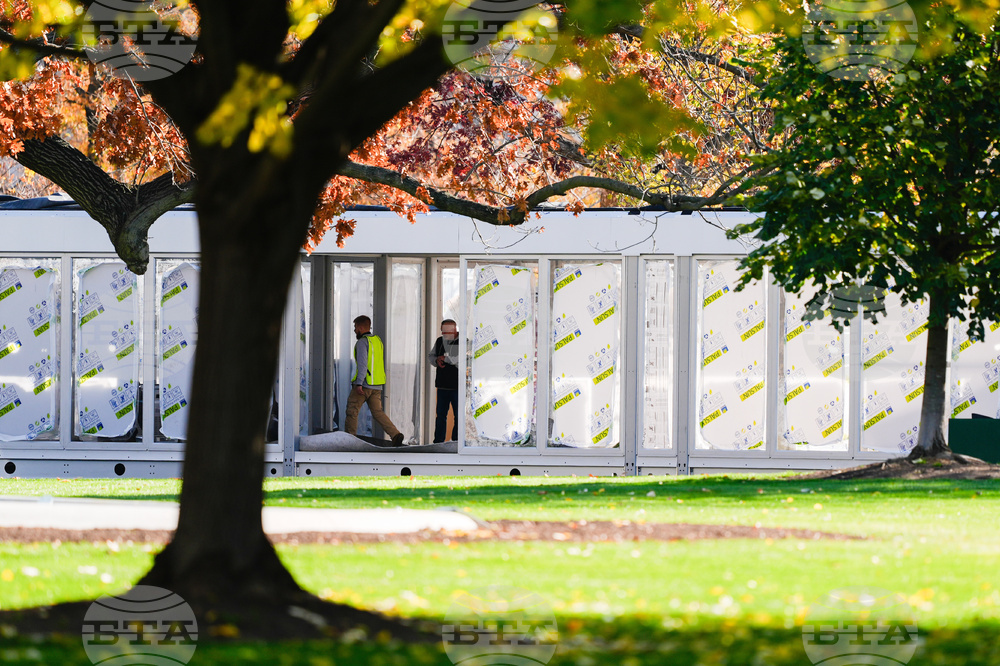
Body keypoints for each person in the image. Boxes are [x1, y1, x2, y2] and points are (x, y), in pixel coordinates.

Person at [346, 315, 404, 446]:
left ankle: (349, 441)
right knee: (378, 412)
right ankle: (395, 434)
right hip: (377, 385)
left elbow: (363, 364)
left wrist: (359, 383)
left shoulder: (362, 342)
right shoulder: (377, 341)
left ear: (361, 328)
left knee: (352, 411)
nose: (355, 330)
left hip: (364, 385)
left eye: (355, 328)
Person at [428, 318, 460, 443]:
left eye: (447, 332)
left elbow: (460, 359)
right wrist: (437, 360)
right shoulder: (439, 341)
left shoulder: (463, 342)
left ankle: (456, 442)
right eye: (443, 332)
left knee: (459, 416)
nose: (444, 335)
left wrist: (444, 359)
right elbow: (431, 356)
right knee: (440, 416)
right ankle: (438, 442)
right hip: (442, 386)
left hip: (457, 387)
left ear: (455, 330)